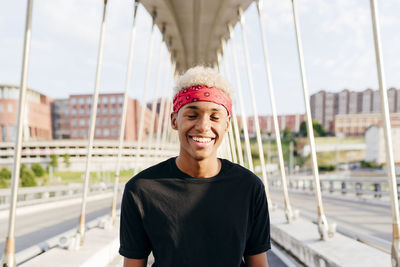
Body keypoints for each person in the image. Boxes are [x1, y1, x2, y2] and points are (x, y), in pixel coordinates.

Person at [119, 66, 270, 267]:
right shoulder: (141, 190)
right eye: (192, 115)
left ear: (227, 124)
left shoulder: (250, 187)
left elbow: (258, 262)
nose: (203, 126)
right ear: (174, 121)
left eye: (214, 117)